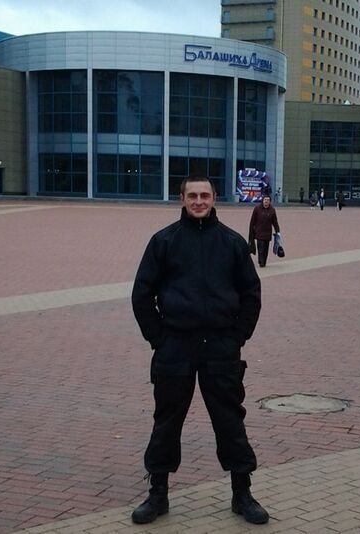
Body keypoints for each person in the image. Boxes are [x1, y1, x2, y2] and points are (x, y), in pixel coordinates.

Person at [131, 177, 269, 526]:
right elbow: (142, 294)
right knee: (166, 421)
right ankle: (158, 493)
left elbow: (251, 294)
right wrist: (158, 338)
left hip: (221, 346)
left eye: (204, 195)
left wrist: (237, 337)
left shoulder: (232, 243)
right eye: (192, 195)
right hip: (174, 345)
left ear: (214, 198)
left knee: (230, 420)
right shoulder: (164, 241)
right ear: (181, 198)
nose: (198, 201)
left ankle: (242, 492)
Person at [248, 194, 280, 268]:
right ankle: (261, 262)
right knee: (260, 248)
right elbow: (252, 221)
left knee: (266, 249)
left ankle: (264, 261)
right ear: (262, 200)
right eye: (265, 200)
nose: (266, 201)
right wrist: (251, 232)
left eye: (268, 200)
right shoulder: (257, 208)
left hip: (267, 233)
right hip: (259, 232)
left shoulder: (272, 210)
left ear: (270, 202)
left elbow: (275, 222)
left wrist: (278, 231)